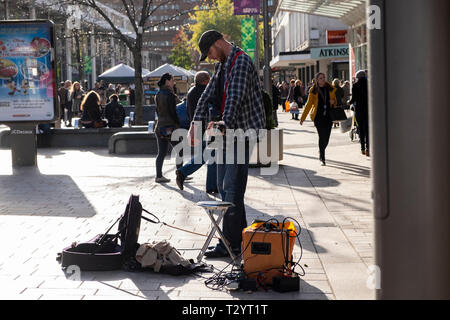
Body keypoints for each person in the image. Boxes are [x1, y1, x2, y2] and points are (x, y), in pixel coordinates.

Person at [187, 30, 265, 258]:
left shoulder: (240, 62)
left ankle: (230, 244)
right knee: (224, 186)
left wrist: (222, 124)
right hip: (227, 134)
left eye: (209, 52)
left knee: (231, 188)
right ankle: (240, 240)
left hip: (241, 133)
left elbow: (234, 98)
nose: (210, 57)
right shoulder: (223, 64)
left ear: (219, 43)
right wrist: (194, 124)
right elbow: (207, 94)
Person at [175, 71, 218, 193]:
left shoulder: (191, 91)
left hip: (197, 128)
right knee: (209, 156)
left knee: (210, 156)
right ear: (205, 81)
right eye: (208, 80)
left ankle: (211, 186)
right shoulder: (204, 92)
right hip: (206, 128)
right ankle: (183, 172)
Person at [300, 73, 337, 166]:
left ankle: (321, 150)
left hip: (328, 116)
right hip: (318, 116)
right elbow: (308, 105)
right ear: (317, 80)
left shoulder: (330, 88)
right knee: (321, 136)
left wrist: (333, 102)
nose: (323, 79)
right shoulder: (313, 90)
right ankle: (322, 157)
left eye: (324, 77)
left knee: (327, 138)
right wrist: (302, 118)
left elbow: (335, 101)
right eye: (321, 78)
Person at [154, 73, 181, 183]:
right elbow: (173, 111)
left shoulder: (158, 94)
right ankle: (181, 173)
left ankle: (159, 176)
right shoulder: (169, 95)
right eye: (172, 80)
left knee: (161, 152)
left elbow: (157, 110)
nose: (173, 82)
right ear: (167, 81)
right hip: (170, 127)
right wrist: (177, 123)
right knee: (180, 150)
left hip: (159, 127)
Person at [348, 70, 369, 156]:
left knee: (360, 128)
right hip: (368, 109)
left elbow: (354, 98)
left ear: (357, 77)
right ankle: (368, 149)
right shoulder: (369, 84)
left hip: (359, 109)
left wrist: (349, 102)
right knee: (368, 129)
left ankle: (362, 148)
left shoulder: (355, 85)